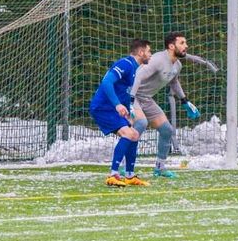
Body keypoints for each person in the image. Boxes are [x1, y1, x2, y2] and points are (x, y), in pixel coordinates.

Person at [130, 31, 210, 179]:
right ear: (171, 46)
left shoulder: (177, 65)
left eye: (185, 43)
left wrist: (185, 101)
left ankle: (160, 168)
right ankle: (124, 166)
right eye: (182, 43)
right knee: (140, 124)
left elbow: (174, 82)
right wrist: (129, 100)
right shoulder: (157, 60)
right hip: (132, 96)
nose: (186, 46)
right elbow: (138, 75)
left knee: (167, 130)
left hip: (146, 99)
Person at [89, 39, 152, 187]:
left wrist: (128, 109)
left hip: (111, 107)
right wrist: (117, 105)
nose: (151, 55)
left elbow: (123, 91)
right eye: (149, 51)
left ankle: (129, 176)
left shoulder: (134, 68)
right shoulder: (125, 64)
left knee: (134, 135)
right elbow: (107, 82)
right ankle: (113, 175)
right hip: (103, 107)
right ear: (141, 52)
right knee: (128, 134)